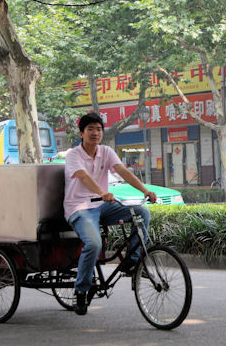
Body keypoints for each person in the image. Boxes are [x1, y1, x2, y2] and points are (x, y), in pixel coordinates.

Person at [63, 112, 157, 315]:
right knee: (94, 244)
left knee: (141, 213)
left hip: (103, 205)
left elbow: (122, 171)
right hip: (79, 207)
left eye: (99, 129)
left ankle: (131, 263)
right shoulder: (73, 155)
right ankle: (81, 291)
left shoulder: (106, 151)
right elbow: (83, 176)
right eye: (91, 129)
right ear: (81, 133)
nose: (96, 133)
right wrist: (101, 192)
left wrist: (145, 191)